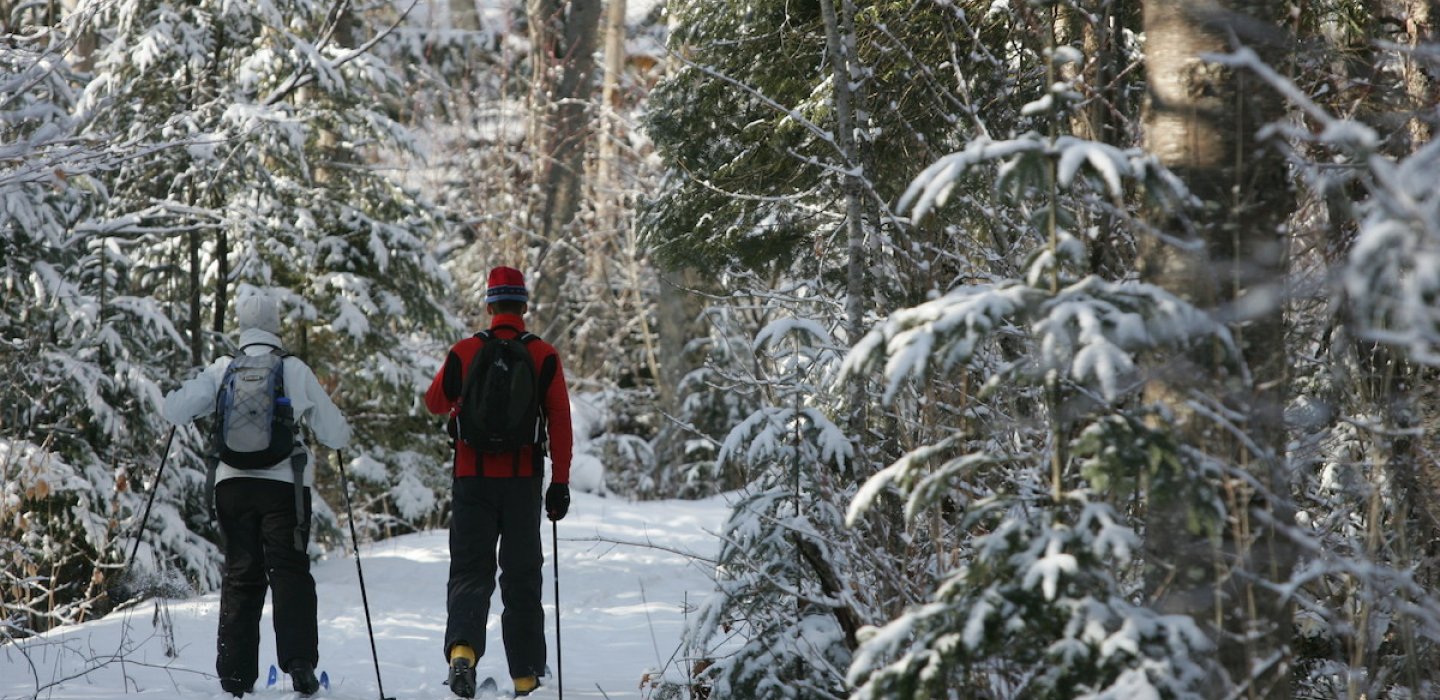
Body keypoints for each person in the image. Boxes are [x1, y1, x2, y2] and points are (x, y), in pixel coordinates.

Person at [162, 293, 351, 698]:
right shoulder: (293, 368)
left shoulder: (222, 369)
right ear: (276, 324)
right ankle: (300, 665)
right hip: (284, 487)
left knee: (241, 576)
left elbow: (174, 410)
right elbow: (336, 433)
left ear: (242, 325)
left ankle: (234, 677)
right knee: (289, 572)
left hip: (231, 486)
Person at [425, 266, 572, 698]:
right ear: (524, 306)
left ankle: (463, 654)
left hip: (471, 479)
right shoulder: (543, 354)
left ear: (490, 305)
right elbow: (559, 422)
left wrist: (462, 397)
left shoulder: (466, 350)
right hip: (523, 481)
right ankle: (525, 676)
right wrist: (559, 482)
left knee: (470, 569)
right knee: (522, 574)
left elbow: (435, 402)